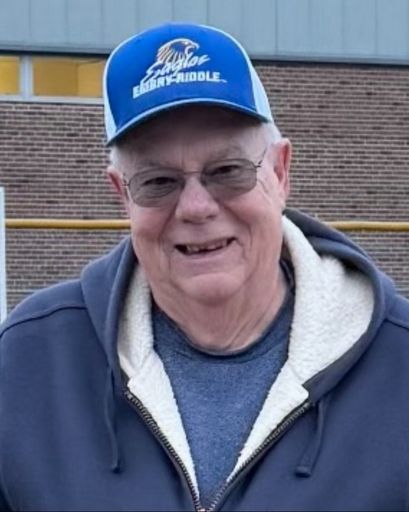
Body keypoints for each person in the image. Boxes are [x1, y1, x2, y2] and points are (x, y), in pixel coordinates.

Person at [1, 22, 409, 512]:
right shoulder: (28, 363)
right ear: (122, 195)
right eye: (158, 181)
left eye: (228, 171)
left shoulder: (397, 362)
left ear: (280, 172)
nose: (196, 207)